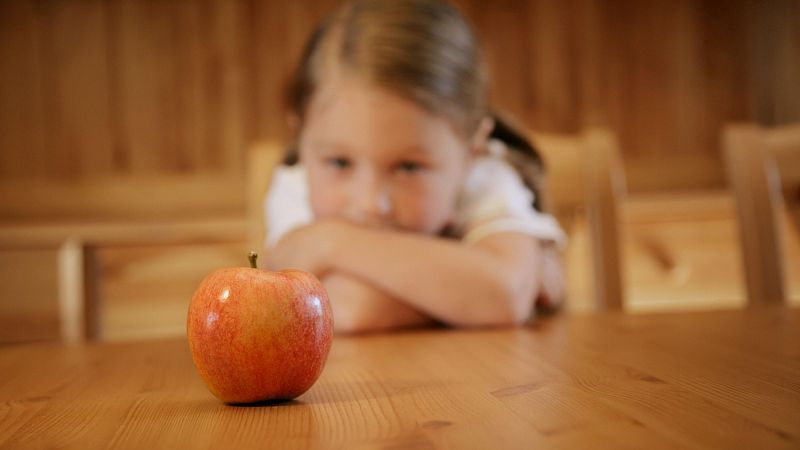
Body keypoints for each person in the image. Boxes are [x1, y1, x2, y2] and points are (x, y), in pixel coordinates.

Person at [264, 0, 566, 333]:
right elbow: (350, 305)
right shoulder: (295, 189)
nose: (370, 205)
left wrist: (331, 242)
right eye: (339, 162)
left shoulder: (485, 178)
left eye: (408, 167)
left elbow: (505, 294)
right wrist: (468, 291)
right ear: (300, 134)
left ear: (470, 152)